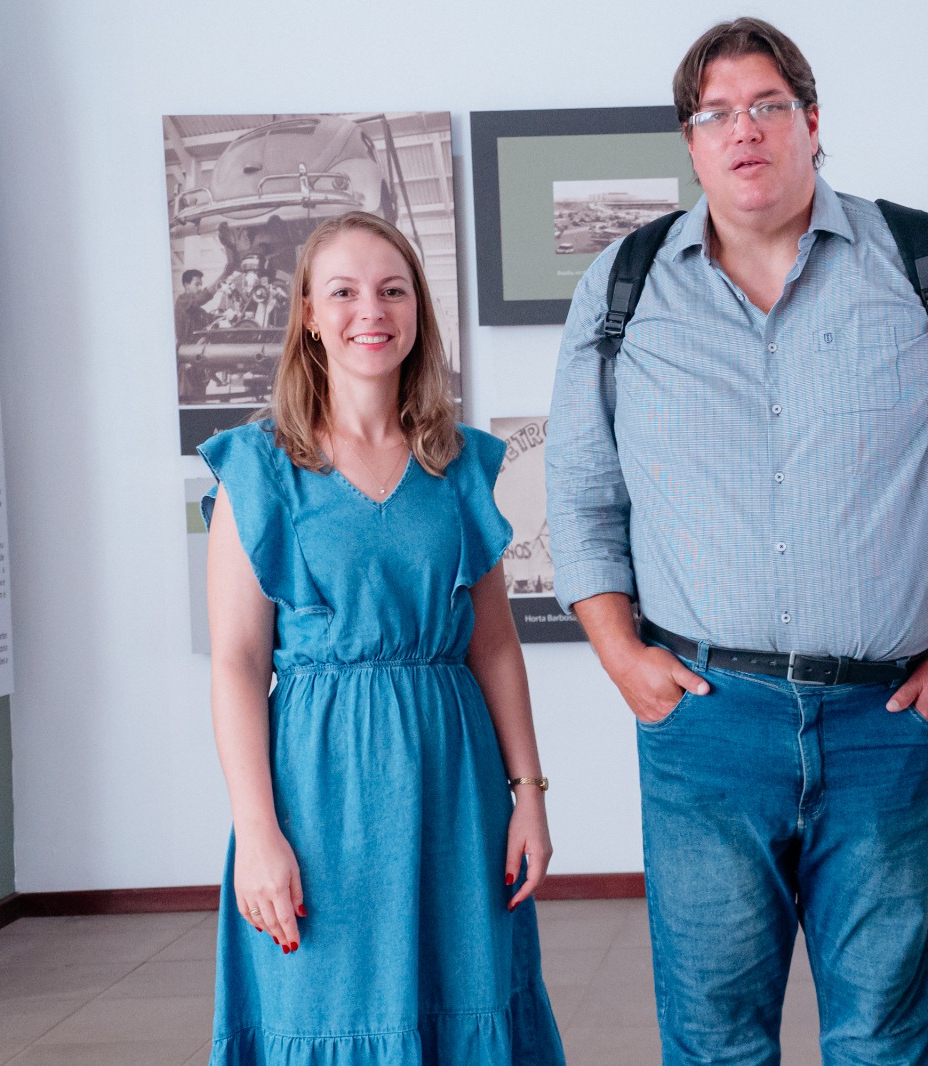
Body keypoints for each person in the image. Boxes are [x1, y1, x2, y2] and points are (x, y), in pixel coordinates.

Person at [546, 16, 928, 1063]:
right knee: (714, 1041)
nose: (744, 130)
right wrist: (619, 653)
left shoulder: (922, 265)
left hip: (886, 721)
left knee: (883, 1040)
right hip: (706, 724)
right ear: (690, 143)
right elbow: (583, 491)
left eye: (767, 106)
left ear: (812, 123)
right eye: (716, 114)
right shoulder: (624, 286)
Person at [201, 211, 565, 1065]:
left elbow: (494, 646)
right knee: (324, 1005)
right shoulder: (259, 467)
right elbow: (238, 663)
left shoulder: (459, 463)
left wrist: (530, 793)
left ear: (417, 311)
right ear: (308, 314)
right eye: (345, 291)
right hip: (318, 794)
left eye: (393, 290)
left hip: (455, 790)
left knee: (464, 997)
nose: (372, 310)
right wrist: (257, 832)